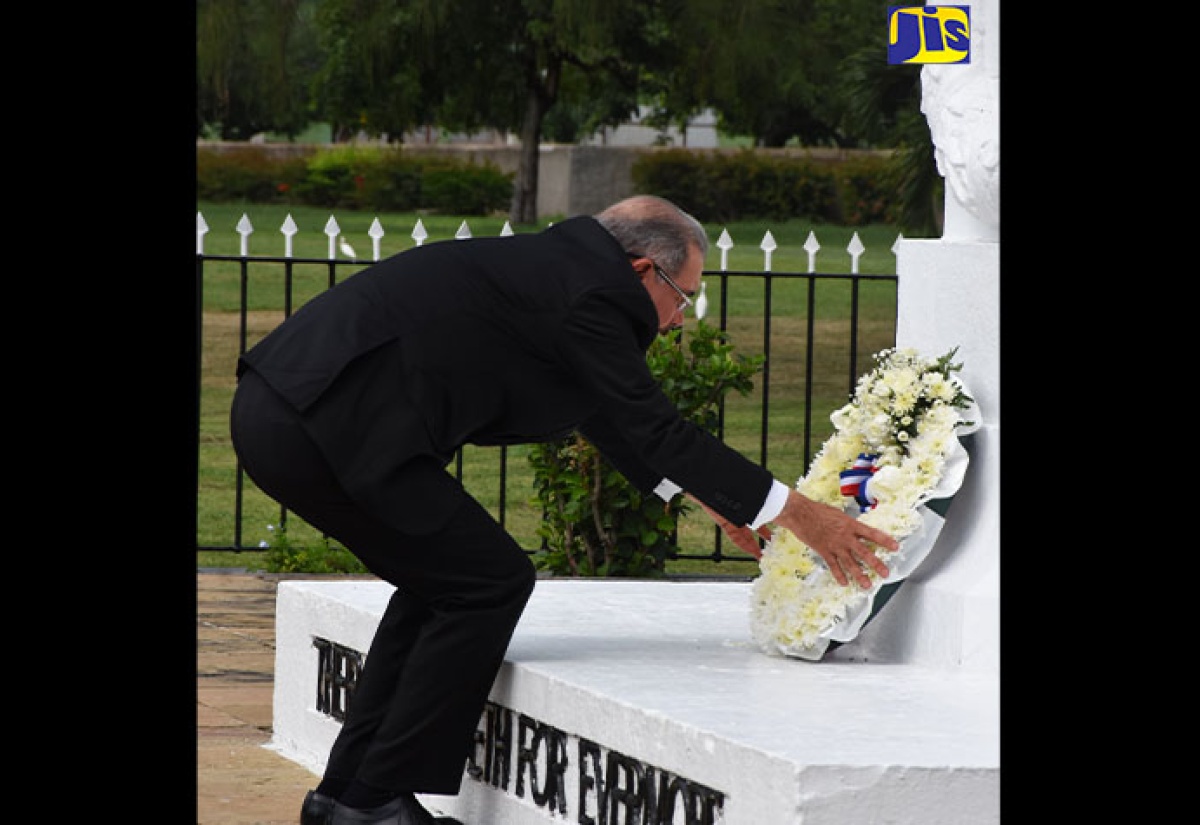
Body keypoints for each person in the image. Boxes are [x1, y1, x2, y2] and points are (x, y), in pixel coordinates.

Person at [229, 195, 898, 825]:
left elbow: (605, 412)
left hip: (295, 414)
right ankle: (374, 799)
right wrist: (805, 515)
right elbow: (658, 427)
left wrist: (710, 501)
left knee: (448, 581)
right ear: (644, 269)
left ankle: (347, 799)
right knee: (488, 581)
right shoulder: (593, 294)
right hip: (322, 424)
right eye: (683, 295)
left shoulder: (564, 272)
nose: (681, 316)